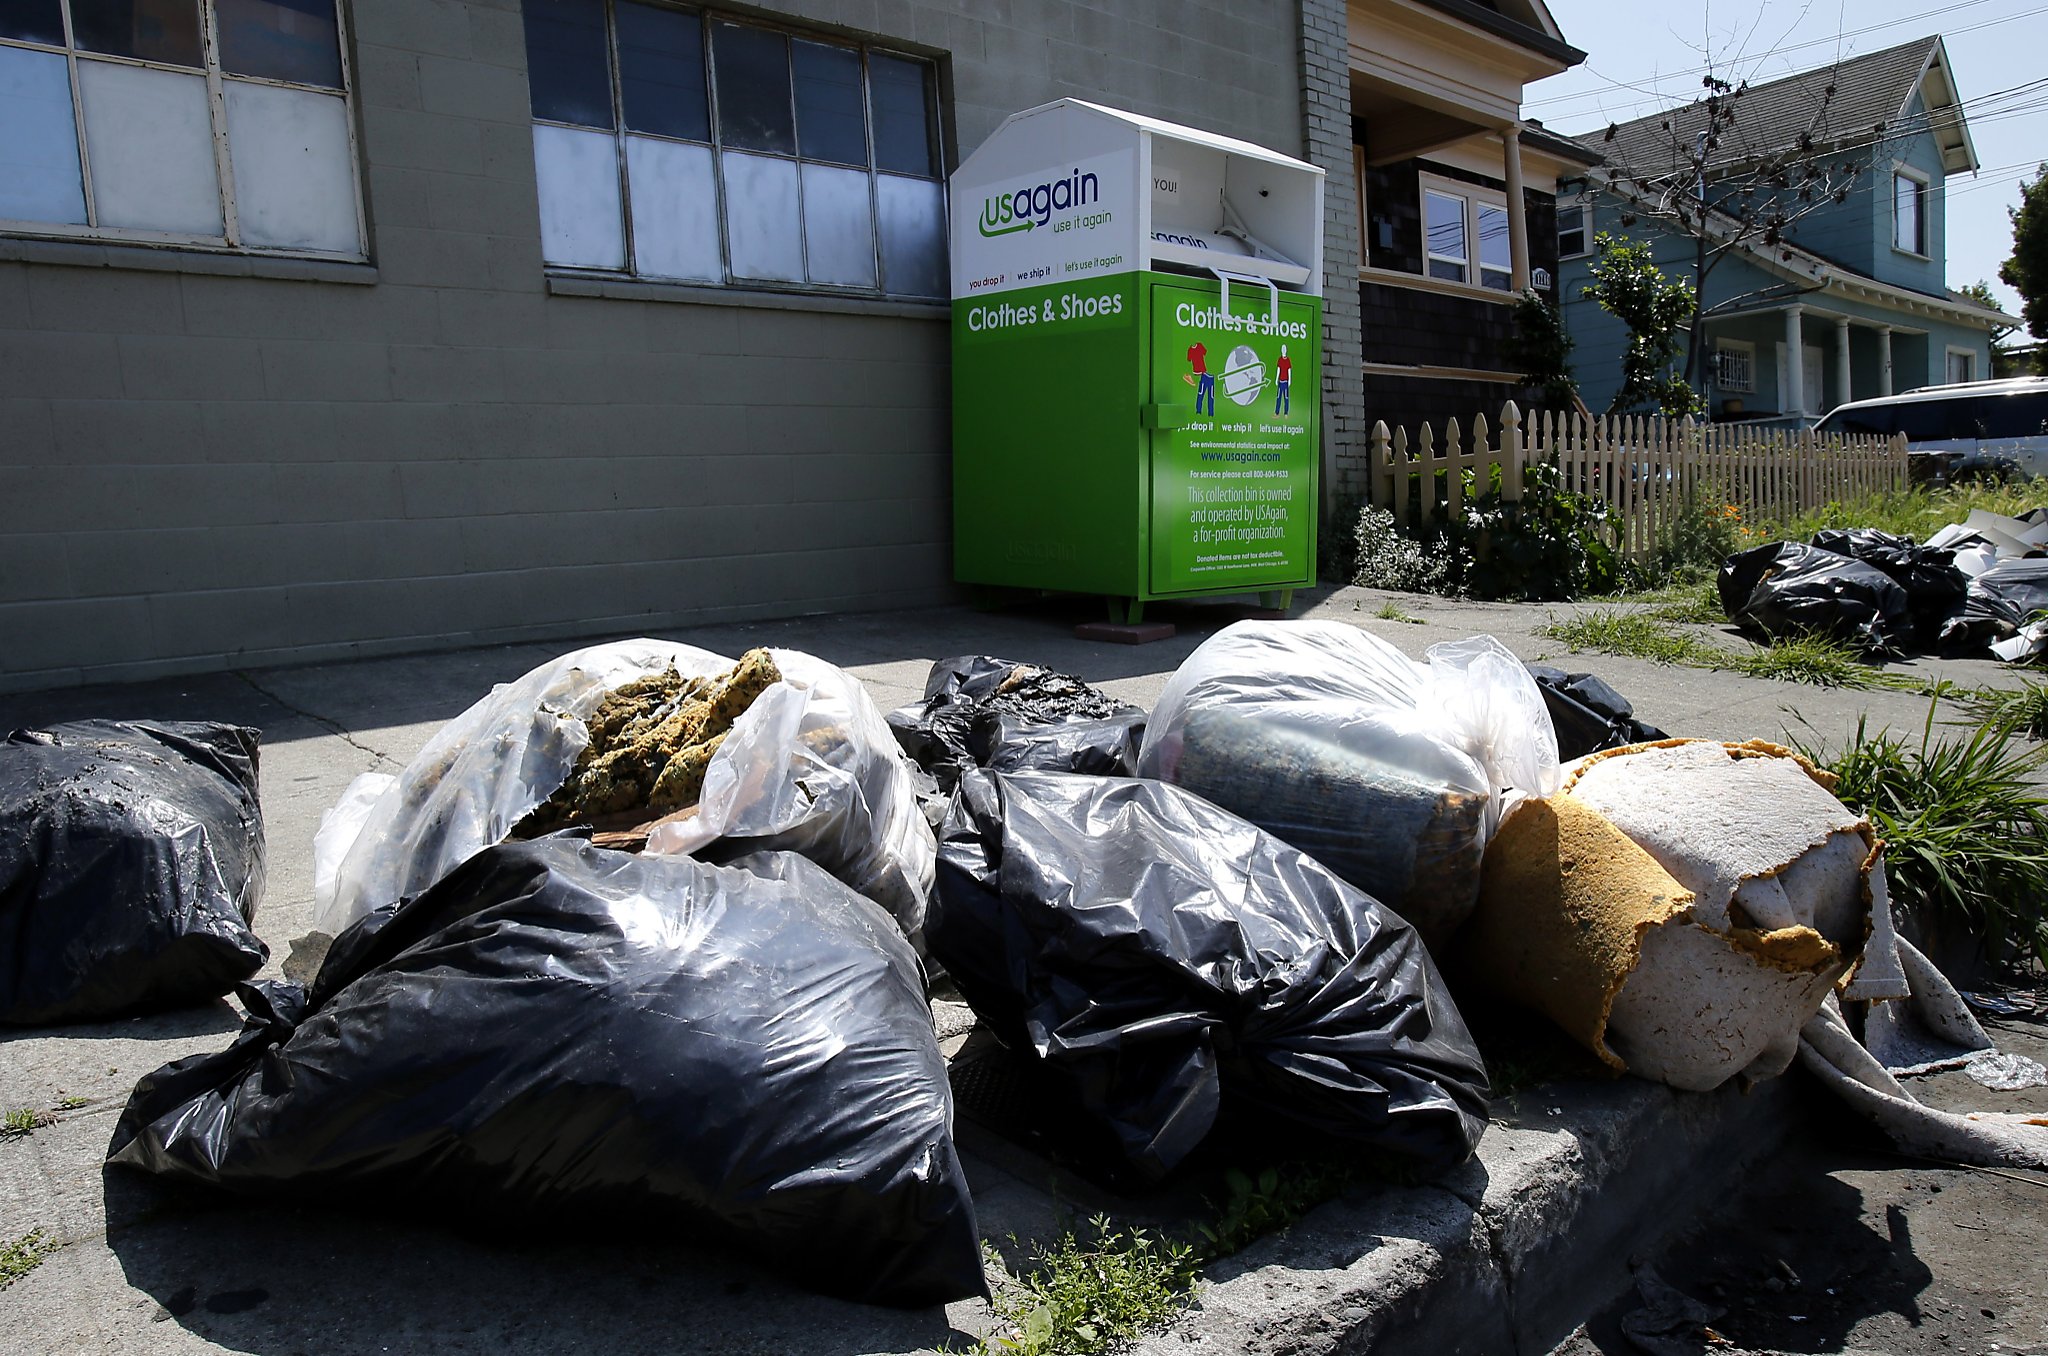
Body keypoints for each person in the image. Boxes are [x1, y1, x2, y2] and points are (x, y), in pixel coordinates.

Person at [1188, 341, 1215, 415]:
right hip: (1200, 374)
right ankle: (1198, 411)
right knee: (1201, 394)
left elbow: (1205, 352)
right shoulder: (1190, 349)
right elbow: (1189, 359)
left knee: (1210, 397)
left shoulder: (1199, 345)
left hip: (1207, 375)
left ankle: (1211, 413)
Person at [1274, 344, 1291, 415]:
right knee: (1278, 397)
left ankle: (1286, 413)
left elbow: (1289, 370)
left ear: (1286, 350)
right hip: (1280, 382)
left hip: (1286, 382)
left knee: (1286, 398)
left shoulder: (1288, 360)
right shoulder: (1280, 359)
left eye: (1284, 349)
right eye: (1282, 349)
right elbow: (1278, 369)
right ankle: (1277, 412)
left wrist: (1290, 380)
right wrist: (1276, 379)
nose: (1283, 351)